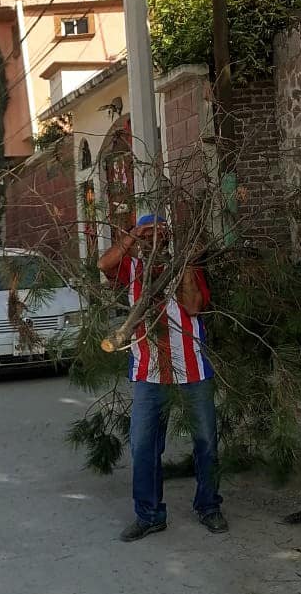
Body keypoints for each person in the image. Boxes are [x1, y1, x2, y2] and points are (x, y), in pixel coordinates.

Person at [98, 214, 228, 541]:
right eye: (148, 234)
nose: (154, 240)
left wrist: (185, 263)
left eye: (160, 234)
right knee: (143, 447)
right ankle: (149, 514)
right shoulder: (131, 270)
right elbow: (104, 263)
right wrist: (132, 235)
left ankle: (209, 506)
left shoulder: (187, 268)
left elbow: (195, 307)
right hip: (148, 372)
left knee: (206, 443)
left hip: (193, 369)